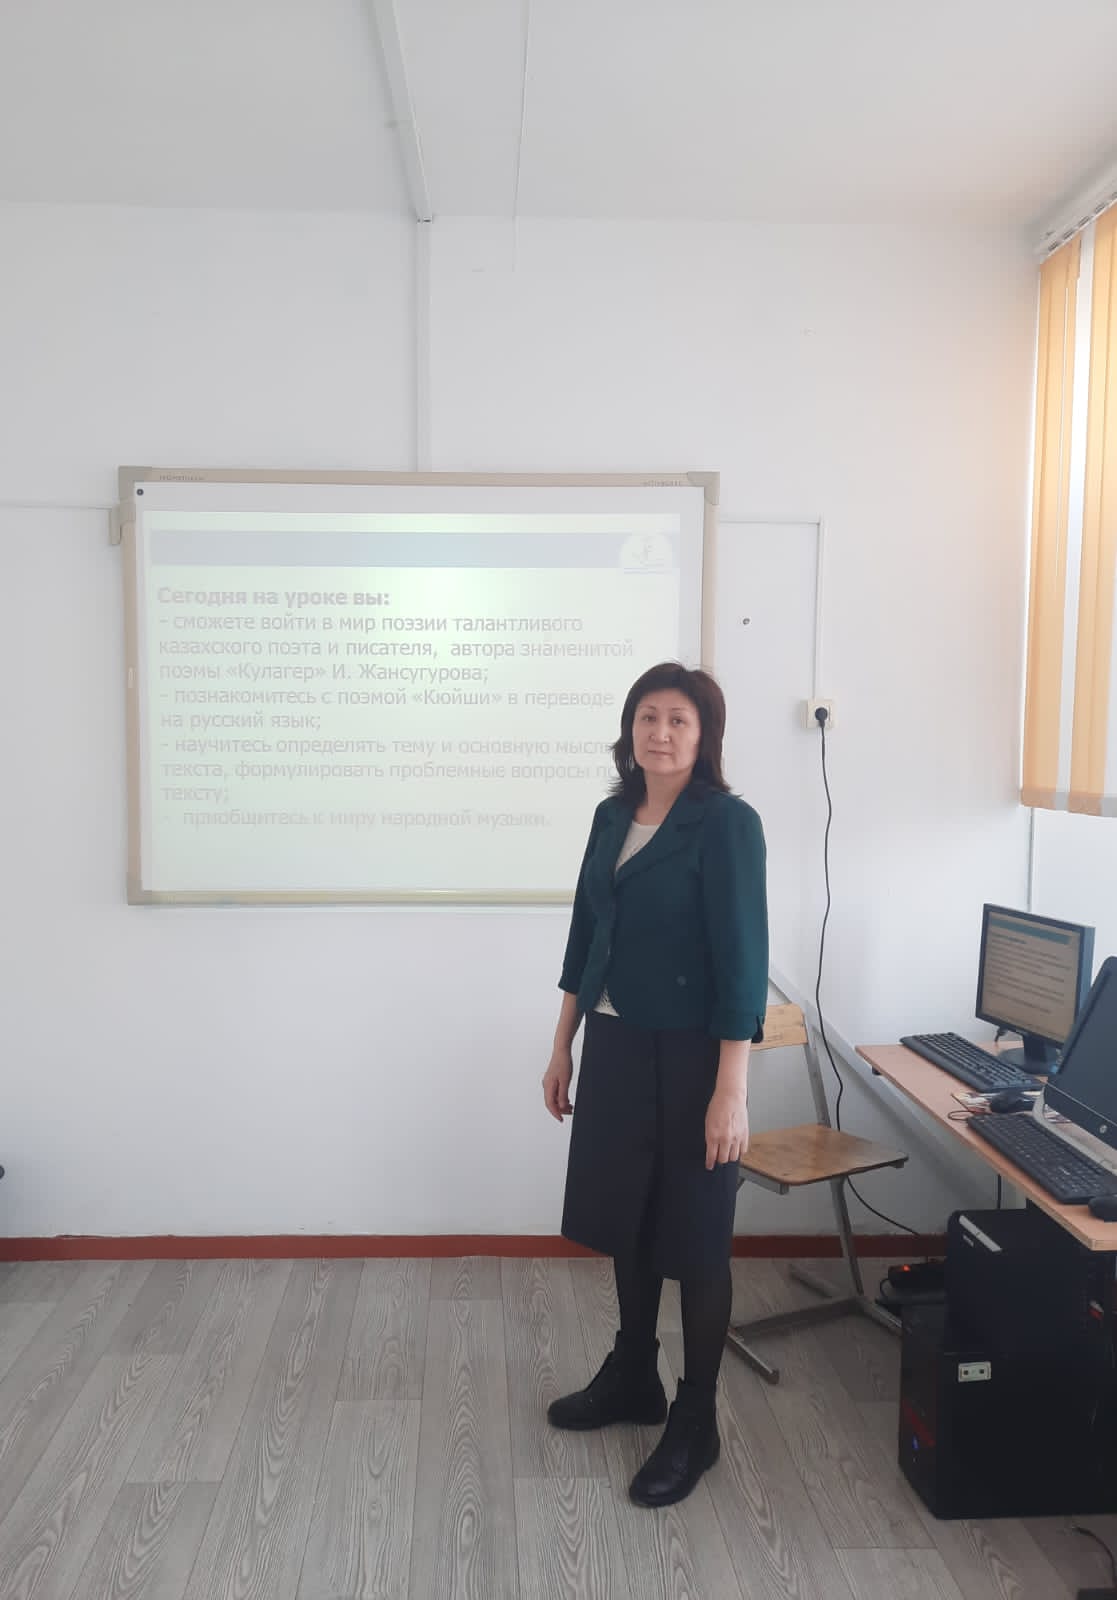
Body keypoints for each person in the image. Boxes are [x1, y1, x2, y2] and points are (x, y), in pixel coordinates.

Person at [541, 660, 768, 1508]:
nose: (659, 733)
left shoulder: (727, 824)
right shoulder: (612, 815)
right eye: (647, 716)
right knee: (626, 1218)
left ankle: (695, 1418)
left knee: (698, 1238)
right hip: (615, 1042)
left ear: (703, 736)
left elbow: (742, 961)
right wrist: (562, 1045)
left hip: (695, 1054)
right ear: (628, 729)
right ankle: (633, 1372)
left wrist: (730, 1088)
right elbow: (584, 939)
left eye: (677, 719)